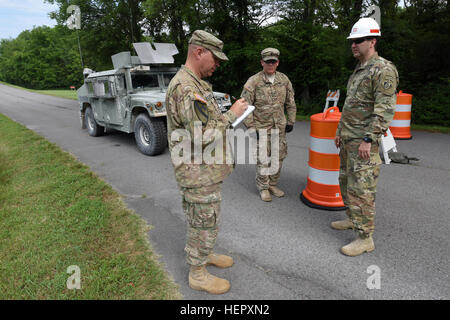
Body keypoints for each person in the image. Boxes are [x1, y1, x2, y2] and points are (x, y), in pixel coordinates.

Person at [165, 30, 248, 294]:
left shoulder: (197, 84)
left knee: (204, 219)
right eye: (216, 59)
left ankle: (204, 253)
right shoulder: (187, 88)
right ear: (199, 51)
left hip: (204, 169)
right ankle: (197, 273)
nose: (218, 65)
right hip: (197, 171)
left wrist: (226, 117)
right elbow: (202, 135)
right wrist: (231, 115)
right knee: (204, 220)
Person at [333, 18, 399, 256]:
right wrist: (340, 130)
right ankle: (353, 219)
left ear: (372, 41)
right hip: (349, 139)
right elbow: (351, 104)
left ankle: (365, 237)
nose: (353, 45)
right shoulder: (360, 69)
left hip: (363, 142)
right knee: (347, 183)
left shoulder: (383, 69)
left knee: (363, 189)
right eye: (352, 41)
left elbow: (384, 109)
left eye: (358, 40)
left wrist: (369, 139)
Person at [240, 48, 296, 202]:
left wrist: (291, 120)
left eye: (273, 61)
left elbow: (290, 102)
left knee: (278, 157)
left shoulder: (284, 80)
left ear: (277, 63)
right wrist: (251, 127)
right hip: (261, 127)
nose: (270, 64)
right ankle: (263, 187)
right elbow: (244, 106)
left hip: (280, 127)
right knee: (263, 158)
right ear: (262, 62)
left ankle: (272, 184)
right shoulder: (254, 81)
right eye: (267, 61)